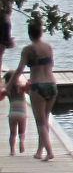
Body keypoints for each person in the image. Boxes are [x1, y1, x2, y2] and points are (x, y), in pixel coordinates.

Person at [11, 17, 55, 161]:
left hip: (37, 86)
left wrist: (10, 84)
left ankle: (49, 152)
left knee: (40, 122)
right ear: (41, 33)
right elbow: (50, 65)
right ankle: (39, 151)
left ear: (30, 34)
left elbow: (19, 69)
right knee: (45, 119)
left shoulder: (28, 50)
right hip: (52, 85)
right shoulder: (48, 48)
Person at [5, 70, 26, 156]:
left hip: (12, 114)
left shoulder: (8, 89)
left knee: (12, 133)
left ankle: (12, 150)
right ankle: (21, 142)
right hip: (22, 114)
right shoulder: (20, 87)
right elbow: (28, 89)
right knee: (22, 131)